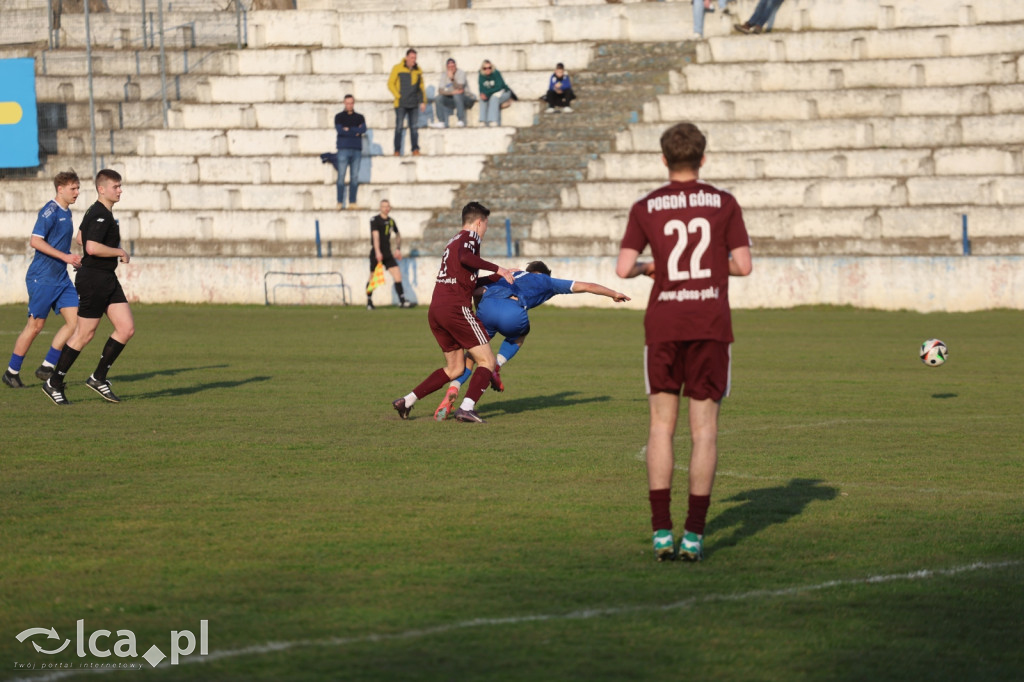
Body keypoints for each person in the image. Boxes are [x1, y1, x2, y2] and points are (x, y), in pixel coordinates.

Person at [615, 122, 753, 562]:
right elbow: (744, 266)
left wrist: (649, 269)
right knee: (705, 430)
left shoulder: (647, 206)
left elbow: (623, 269)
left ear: (663, 160)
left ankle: (660, 531)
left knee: (660, 426)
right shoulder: (724, 202)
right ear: (703, 159)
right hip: (710, 323)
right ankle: (693, 534)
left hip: (665, 324)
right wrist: (713, 265)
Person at [432, 261, 631, 421]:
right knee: (521, 333)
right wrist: (614, 294)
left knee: (473, 355)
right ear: (543, 273)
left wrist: (477, 311)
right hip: (512, 313)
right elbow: (587, 286)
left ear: (528, 270)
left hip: (487, 309)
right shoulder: (548, 281)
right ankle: (498, 364)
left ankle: (453, 388)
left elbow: (477, 291)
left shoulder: (510, 274)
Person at [392, 202, 515, 424]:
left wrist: (501, 275)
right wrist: (498, 268)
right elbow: (466, 259)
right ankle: (466, 408)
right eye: (486, 224)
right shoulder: (471, 238)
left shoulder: (453, 241)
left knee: (456, 368)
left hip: (437, 310)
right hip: (455, 309)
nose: (486, 230)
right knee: (487, 360)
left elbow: (467, 276)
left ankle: (407, 400)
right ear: (479, 222)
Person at [42, 169, 136, 406]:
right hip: (93, 279)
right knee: (85, 334)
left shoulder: (99, 213)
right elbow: (91, 247)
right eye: (116, 186)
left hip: (106, 277)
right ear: (101, 189)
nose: (120, 190)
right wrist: (119, 251)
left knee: (126, 328)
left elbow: (80, 238)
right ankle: (54, 382)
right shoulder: (100, 214)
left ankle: (98, 377)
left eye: (120, 186)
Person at [3, 171, 82, 389]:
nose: (77, 193)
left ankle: (47, 366)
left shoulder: (68, 213)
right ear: (60, 189)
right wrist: (66, 256)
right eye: (73, 189)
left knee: (77, 322)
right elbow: (35, 241)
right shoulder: (50, 211)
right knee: (35, 326)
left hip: (61, 278)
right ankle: (12, 372)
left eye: (78, 188)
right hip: (43, 277)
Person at [366, 199, 413, 310]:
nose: (386, 208)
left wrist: (398, 249)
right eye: (384, 206)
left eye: (388, 206)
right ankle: (369, 301)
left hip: (387, 253)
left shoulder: (391, 221)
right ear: (380, 208)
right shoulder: (375, 220)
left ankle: (402, 301)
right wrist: (377, 251)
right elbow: (375, 236)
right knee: (372, 278)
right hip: (376, 253)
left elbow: (397, 234)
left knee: (397, 274)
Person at [387, 48, 427, 156]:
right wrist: (398, 95)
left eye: (415, 58)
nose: (414, 60)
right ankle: (397, 150)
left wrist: (423, 101)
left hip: (413, 103)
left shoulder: (418, 70)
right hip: (400, 103)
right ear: (406, 58)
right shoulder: (397, 68)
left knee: (414, 127)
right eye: (412, 58)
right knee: (399, 127)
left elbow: (421, 87)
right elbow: (390, 83)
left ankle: (415, 149)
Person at [334, 94, 366, 210]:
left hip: (356, 149)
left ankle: (352, 202)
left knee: (354, 177)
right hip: (343, 149)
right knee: (341, 177)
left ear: (354, 103)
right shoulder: (338, 116)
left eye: (351, 103)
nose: (349, 105)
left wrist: (348, 129)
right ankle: (339, 202)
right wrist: (355, 131)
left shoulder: (360, 117)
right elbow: (340, 131)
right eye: (347, 103)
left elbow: (363, 129)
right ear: (344, 103)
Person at [429, 58, 474, 129]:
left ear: (456, 66)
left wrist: (452, 79)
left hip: (466, 99)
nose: (451, 68)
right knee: (438, 98)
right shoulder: (444, 75)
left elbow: (460, 88)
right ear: (447, 67)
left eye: (453, 66)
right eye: (449, 67)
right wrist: (452, 92)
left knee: (457, 95)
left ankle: (460, 120)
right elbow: (440, 90)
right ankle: (441, 121)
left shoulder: (461, 73)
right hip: (452, 99)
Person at [477, 60, 513, 127]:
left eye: (489, 67)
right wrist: (482, 94)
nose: (487, 69)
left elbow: (499, 87)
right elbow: (481, 87)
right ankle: (482, 121)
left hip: (503, 92)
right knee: (482, 99)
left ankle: (493, 120)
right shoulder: (481, 75)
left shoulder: (496, 73)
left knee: (494, 98)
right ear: (482, 69)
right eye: (485, 68)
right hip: (490, 94)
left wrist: (487, 93)